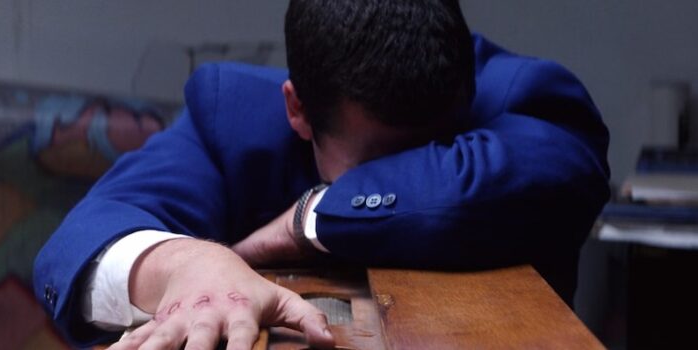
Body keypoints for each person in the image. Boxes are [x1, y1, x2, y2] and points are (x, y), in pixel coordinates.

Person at [33, 0, 611, 348]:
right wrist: (187, 264)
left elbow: (560, 176)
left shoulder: (525, 97)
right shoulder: (233, 116)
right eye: (381, 163)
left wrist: (311, 216)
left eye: (440, 147)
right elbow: (77, 246)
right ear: (298, 110)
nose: (411, 170)